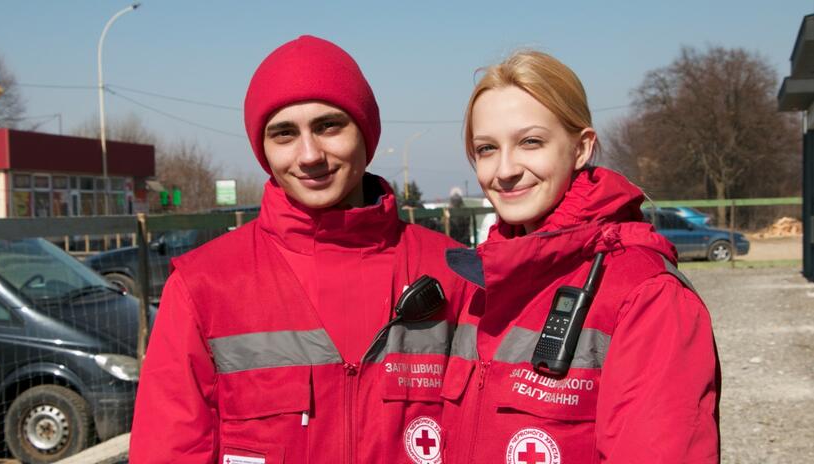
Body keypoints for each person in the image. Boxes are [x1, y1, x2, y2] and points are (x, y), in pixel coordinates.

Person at [130, 35, 471, 464]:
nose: (309, 155)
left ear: (365, 132)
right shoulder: (203, 286)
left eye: (329, 126)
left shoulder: (452, 275)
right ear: (263, 149)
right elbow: (168, 450)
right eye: (284, 133)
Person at [441, 50, 720, 463]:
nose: (504, 170)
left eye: (530, 142)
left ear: (581, 148)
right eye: (485, 149)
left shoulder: (646, 294)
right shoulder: (483, 283)